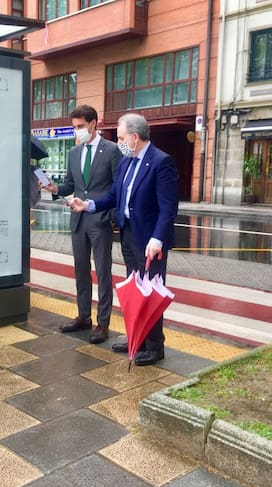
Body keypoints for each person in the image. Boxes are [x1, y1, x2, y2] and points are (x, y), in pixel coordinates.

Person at [68, 112, 179, 365]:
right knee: (135, 291)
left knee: (150, 293)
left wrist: (157, 239)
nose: (118, 143)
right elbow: (114, 196)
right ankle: (137, 339)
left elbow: (168, 208)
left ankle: (155, 346)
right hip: (128, 235)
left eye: (120, 138)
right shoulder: (127, 162)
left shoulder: (161, 162)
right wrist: (88, 205)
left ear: (135, 137)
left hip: (150, 242)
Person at [45, 105, 122, 344]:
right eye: (74, 127)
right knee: (80, 270)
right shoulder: (74, 152)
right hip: (78, 220)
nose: (76, 131)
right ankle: (83, 316)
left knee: (103, 272)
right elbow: (71, 184)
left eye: (80, 126)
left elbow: (117, 187)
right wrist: (55, 189)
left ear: (93, 124)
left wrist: (110, 216)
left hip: (100, 220)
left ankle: (103, 323)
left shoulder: (112, 150)